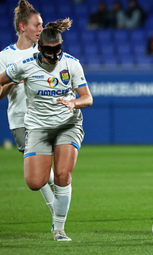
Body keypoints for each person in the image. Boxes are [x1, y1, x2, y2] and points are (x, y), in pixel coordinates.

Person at [0, 18, 93, 241]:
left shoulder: (71, 64)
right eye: (49, 51)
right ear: (39, 48)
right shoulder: (24, 65)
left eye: (58, 50)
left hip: (67, 125)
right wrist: (12, 83)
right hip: (38, 128)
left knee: (63, 175)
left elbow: (87, 98)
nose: (54, 55)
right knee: (35, 182)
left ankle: (59, 229)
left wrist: (74, 103)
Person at [0, 0, 56, 232]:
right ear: (23, 26)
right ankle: (57, 213)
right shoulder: (5, 56)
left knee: (49, 171)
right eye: (37, 25)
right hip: (21, 120)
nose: (40, 29)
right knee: (42, 173)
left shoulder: (45, 51)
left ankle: (57, 214)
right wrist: (13, 81)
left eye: (42, 25)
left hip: (47, 117)